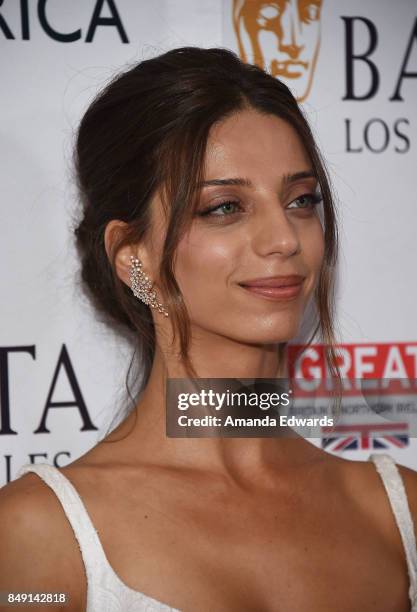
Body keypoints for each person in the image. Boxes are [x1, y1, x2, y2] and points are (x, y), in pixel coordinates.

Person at [0, 46, 416, 612]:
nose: (285, 239)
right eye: (224, 207)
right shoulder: (38, 537)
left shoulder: (400, 514)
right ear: (132, 256)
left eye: (301, 200)